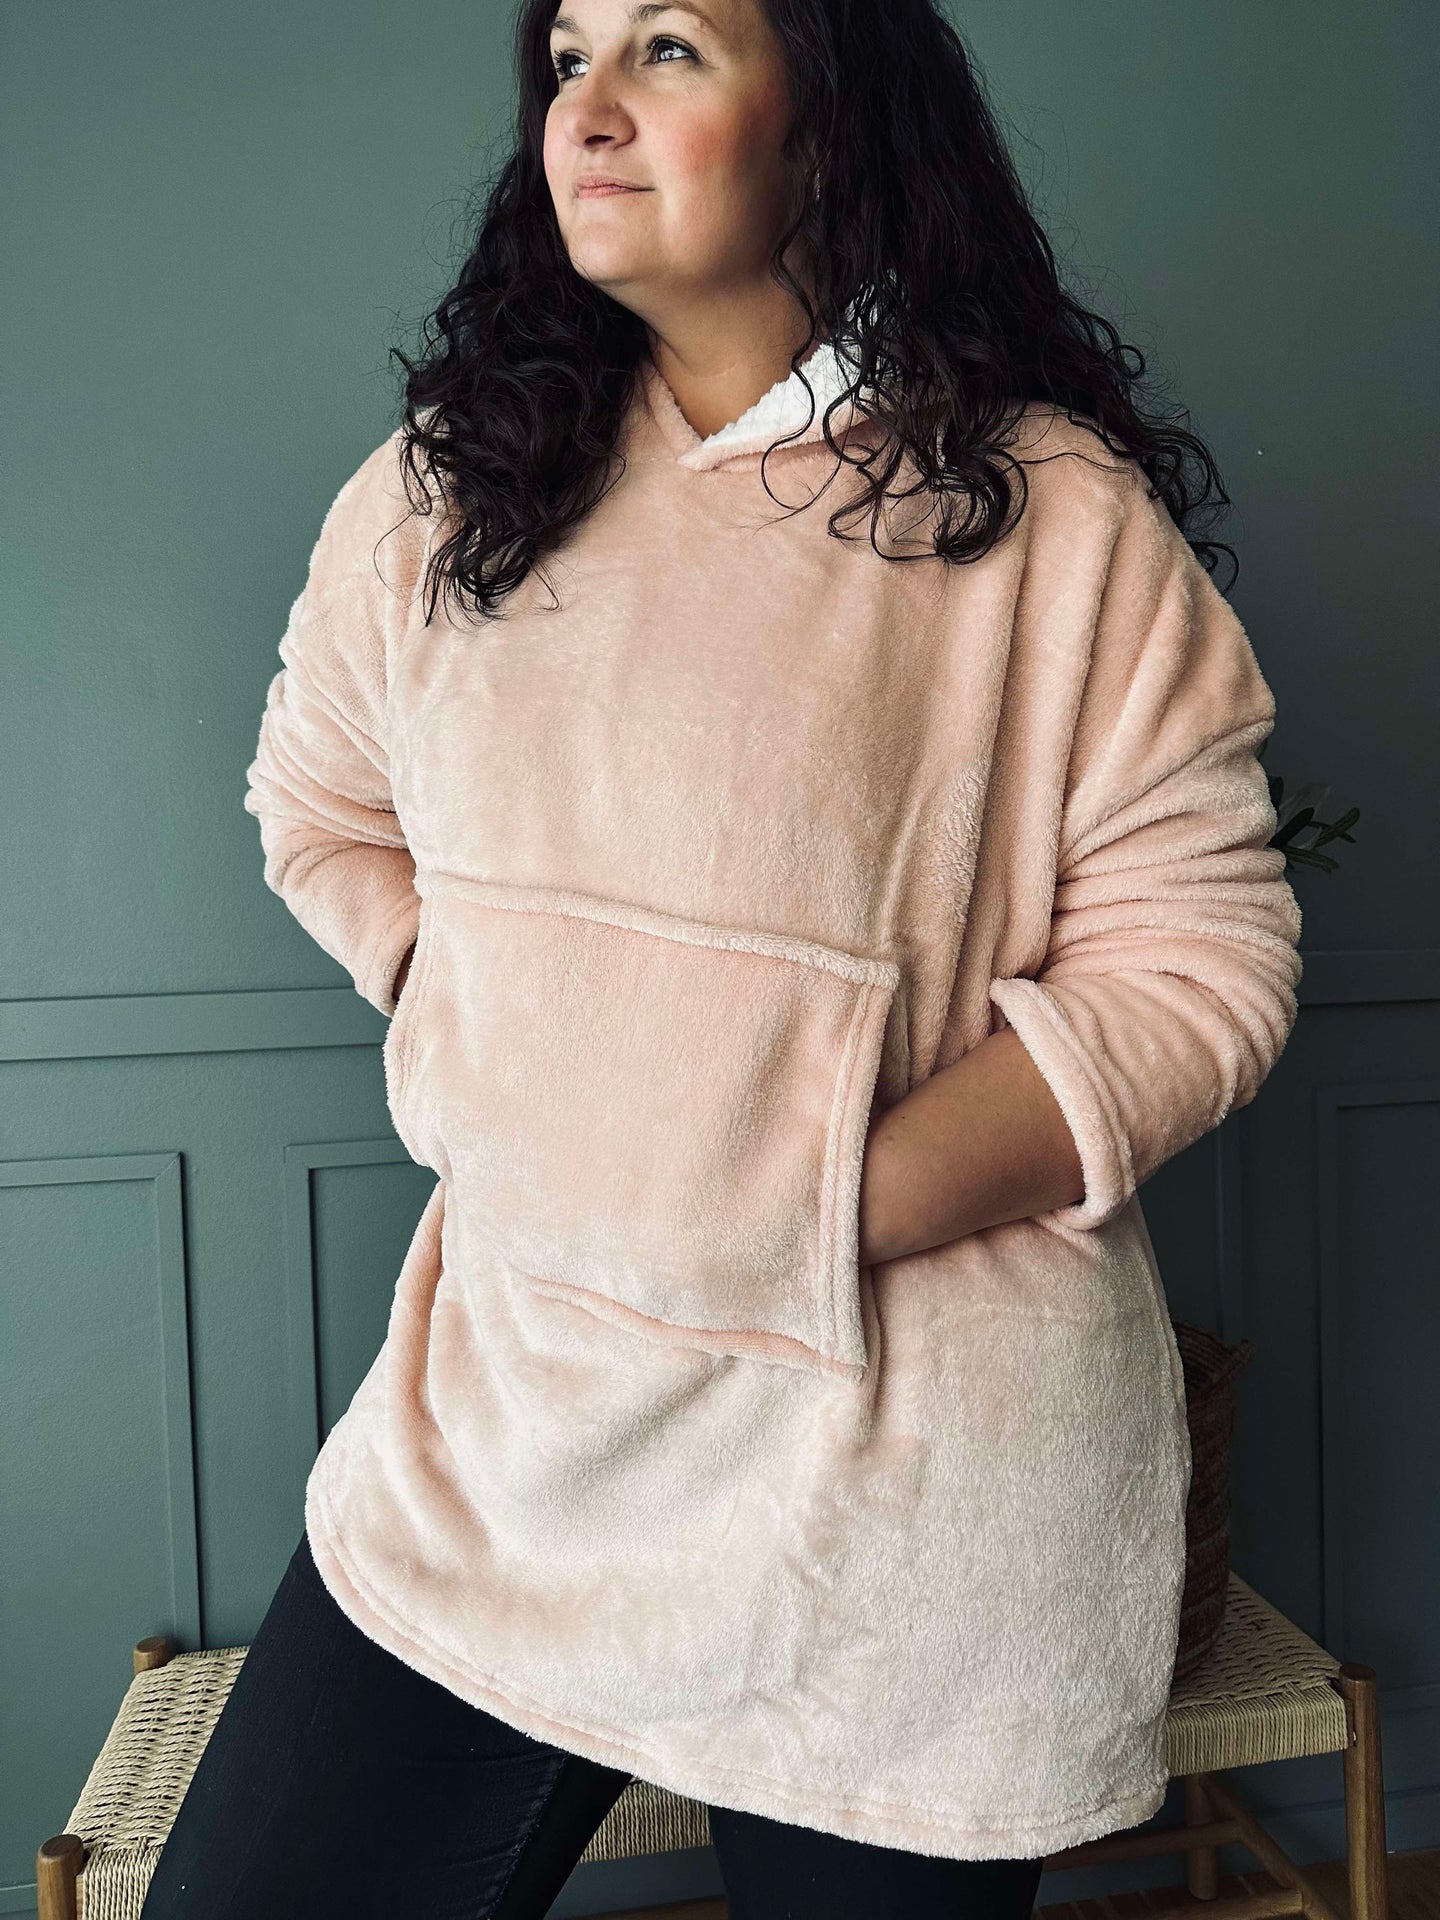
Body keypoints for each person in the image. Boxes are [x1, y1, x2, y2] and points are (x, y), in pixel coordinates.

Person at [142, 0, 1304, 1912]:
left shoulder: (1049, 519)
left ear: (828, 119)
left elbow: (1198, 964)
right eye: (567, 57)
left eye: (668, 48)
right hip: (504, 1438)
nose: (587, 110)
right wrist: (489, 1036)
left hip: (898, 1489)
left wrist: (813, 1200)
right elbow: (318, 803)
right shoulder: (446, 489)